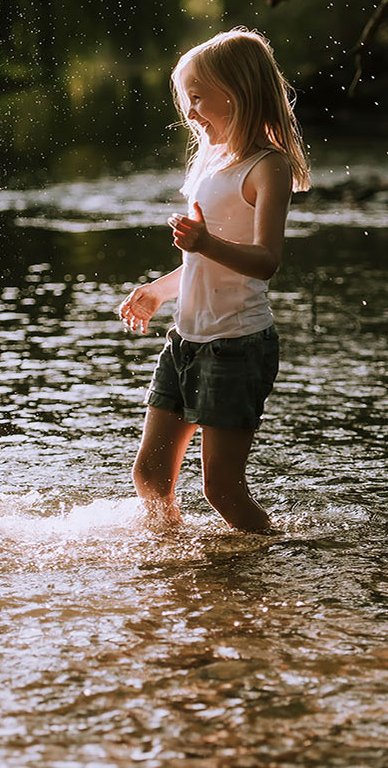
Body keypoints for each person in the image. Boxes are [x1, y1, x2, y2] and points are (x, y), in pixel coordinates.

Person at [118, 28, 311, 533]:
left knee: (221, 489)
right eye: (186, 99)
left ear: (239, 92)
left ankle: (273, 558)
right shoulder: (210, 163)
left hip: (236, 344)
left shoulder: (267, 167)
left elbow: (265, 260)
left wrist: (204, 243)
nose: (189, 112)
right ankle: (172, 562)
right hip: (186, 339)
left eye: (198, 98)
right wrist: (158, 291)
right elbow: (204, 264)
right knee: (151, 475)